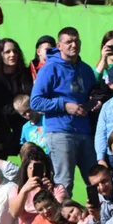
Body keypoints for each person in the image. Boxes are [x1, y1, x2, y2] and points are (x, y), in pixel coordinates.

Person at [30, 27, 97, 194]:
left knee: (95, 180)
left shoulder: (86, 69)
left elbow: (92, 95)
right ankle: (61, 219)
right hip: (60, 132)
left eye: (76, 41)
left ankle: (99, 218)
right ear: (59, 46)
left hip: (85, 132)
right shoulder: (49, 68)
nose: (73, 45)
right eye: (69, 42)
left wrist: (92, 104)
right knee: (64, 183)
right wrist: (65, 106)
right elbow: (35, 102)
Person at [0, 38, 33, 153]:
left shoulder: (27, 75)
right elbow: (3, 107)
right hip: (3, 132)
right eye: (7, 52)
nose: (12, 55)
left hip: (28, 127)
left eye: (15, 51)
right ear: (0, 55)